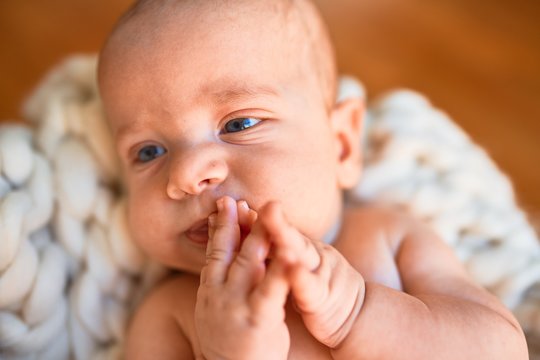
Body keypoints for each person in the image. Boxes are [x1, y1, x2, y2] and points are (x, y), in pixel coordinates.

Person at [97, 0, 528, 358]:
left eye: (240, 123)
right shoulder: (171, 315)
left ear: (341, 145)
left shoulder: (386, 237)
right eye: (149, 152)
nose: (188, 175)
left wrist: (357, 314)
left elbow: (503, 348)